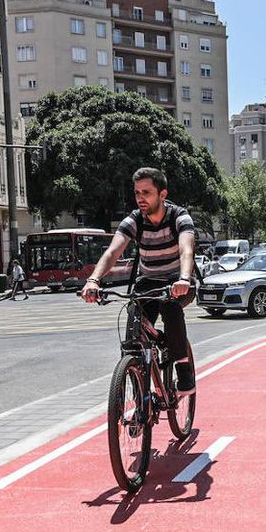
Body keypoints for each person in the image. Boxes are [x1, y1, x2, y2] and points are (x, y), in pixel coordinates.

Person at [82, 167, 197, 402]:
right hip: (147, 281)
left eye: (147, 192)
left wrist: (184, 278)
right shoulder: (135, 220)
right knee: (133, 326)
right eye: (137, 193)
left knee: (171, 307)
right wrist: (93, 280)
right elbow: (113, 251)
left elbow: (187, 250)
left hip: (177, 280)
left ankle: (184, 369)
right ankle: (139, 394)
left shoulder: (179, 216)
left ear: (162, 194)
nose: (141, 198)